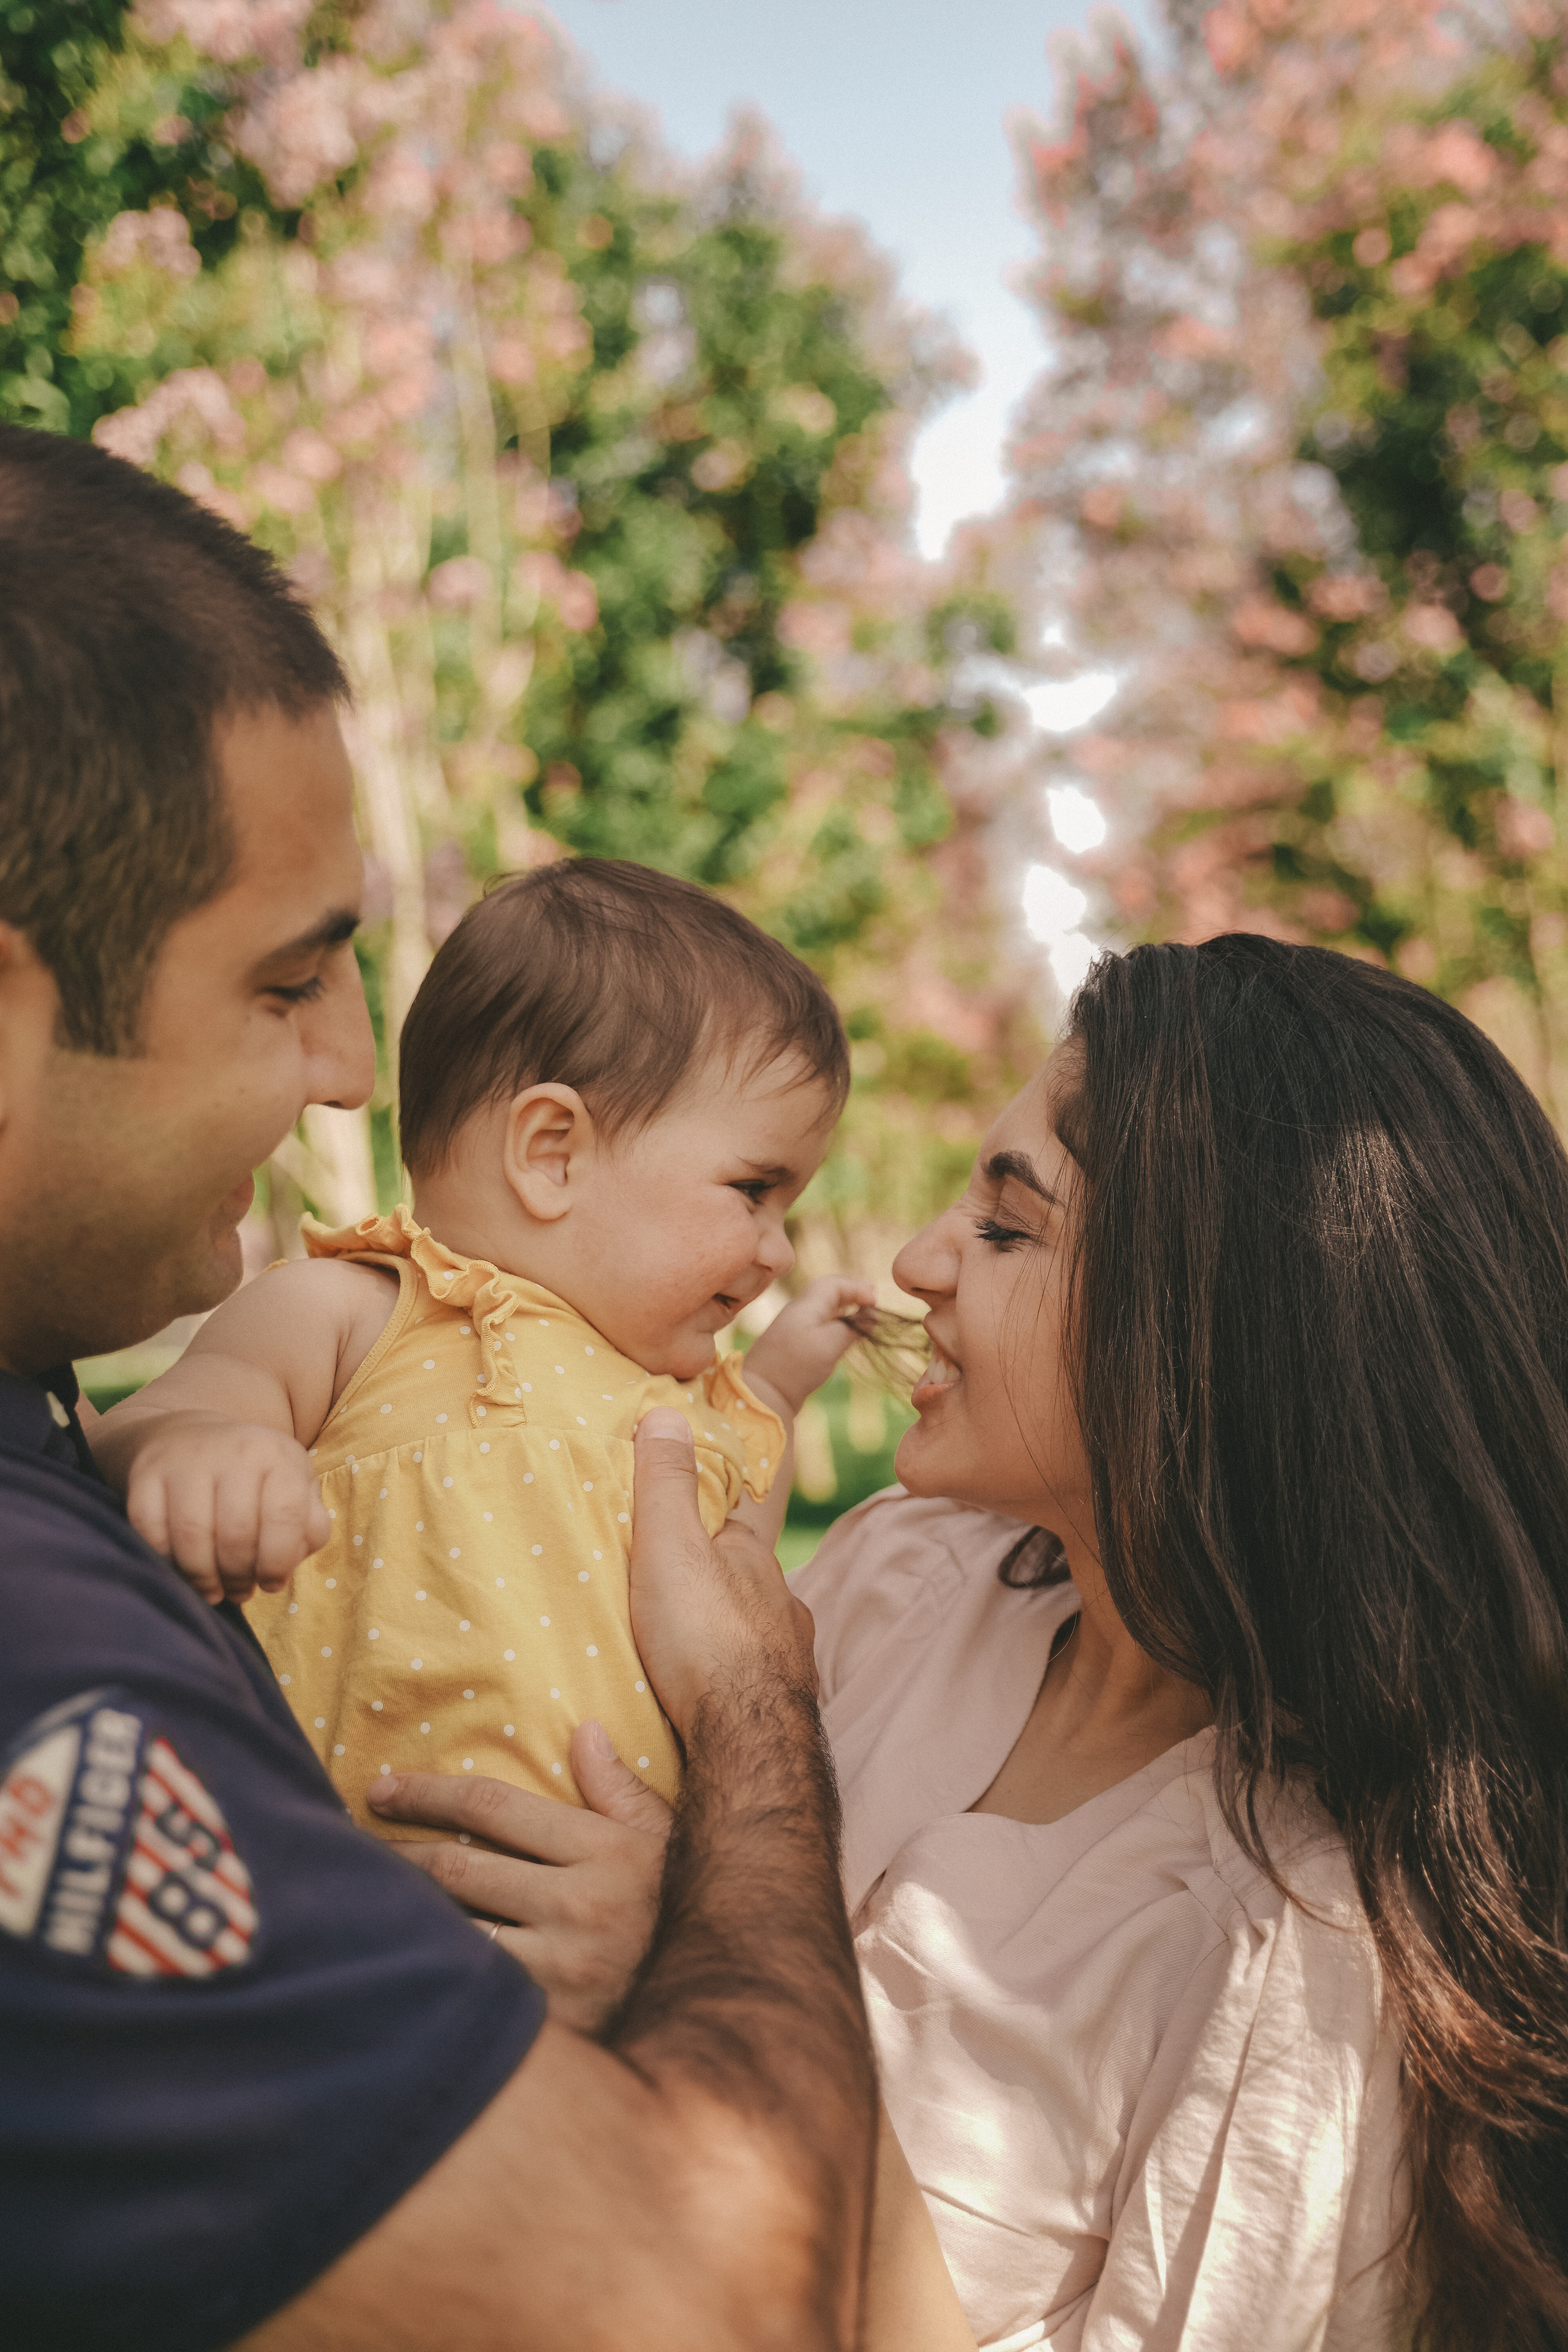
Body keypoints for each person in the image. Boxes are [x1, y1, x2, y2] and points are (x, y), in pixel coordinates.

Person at [0, 419, 879, 2352]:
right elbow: (714, 2295)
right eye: (284, 983)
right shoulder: (43, 1644)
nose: (343, 1076)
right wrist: (754, 1750)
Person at [404, 934, 1568, 2352]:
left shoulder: (1309, 1953)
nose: (913, 1262)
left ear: (1210, 1331)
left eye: (1009, 1230)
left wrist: (688, 1958)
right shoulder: (904, 1576)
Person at [91, 859, 876, 1830]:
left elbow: (742, 1587)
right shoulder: (368, 1312)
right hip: (361, 1892)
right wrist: (195, 1447)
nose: (778, 1249)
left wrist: (777, 1396)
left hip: (609, 1924)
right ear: (552, 1152)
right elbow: (163, 1414)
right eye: (755, 1190)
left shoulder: (678, 1406)